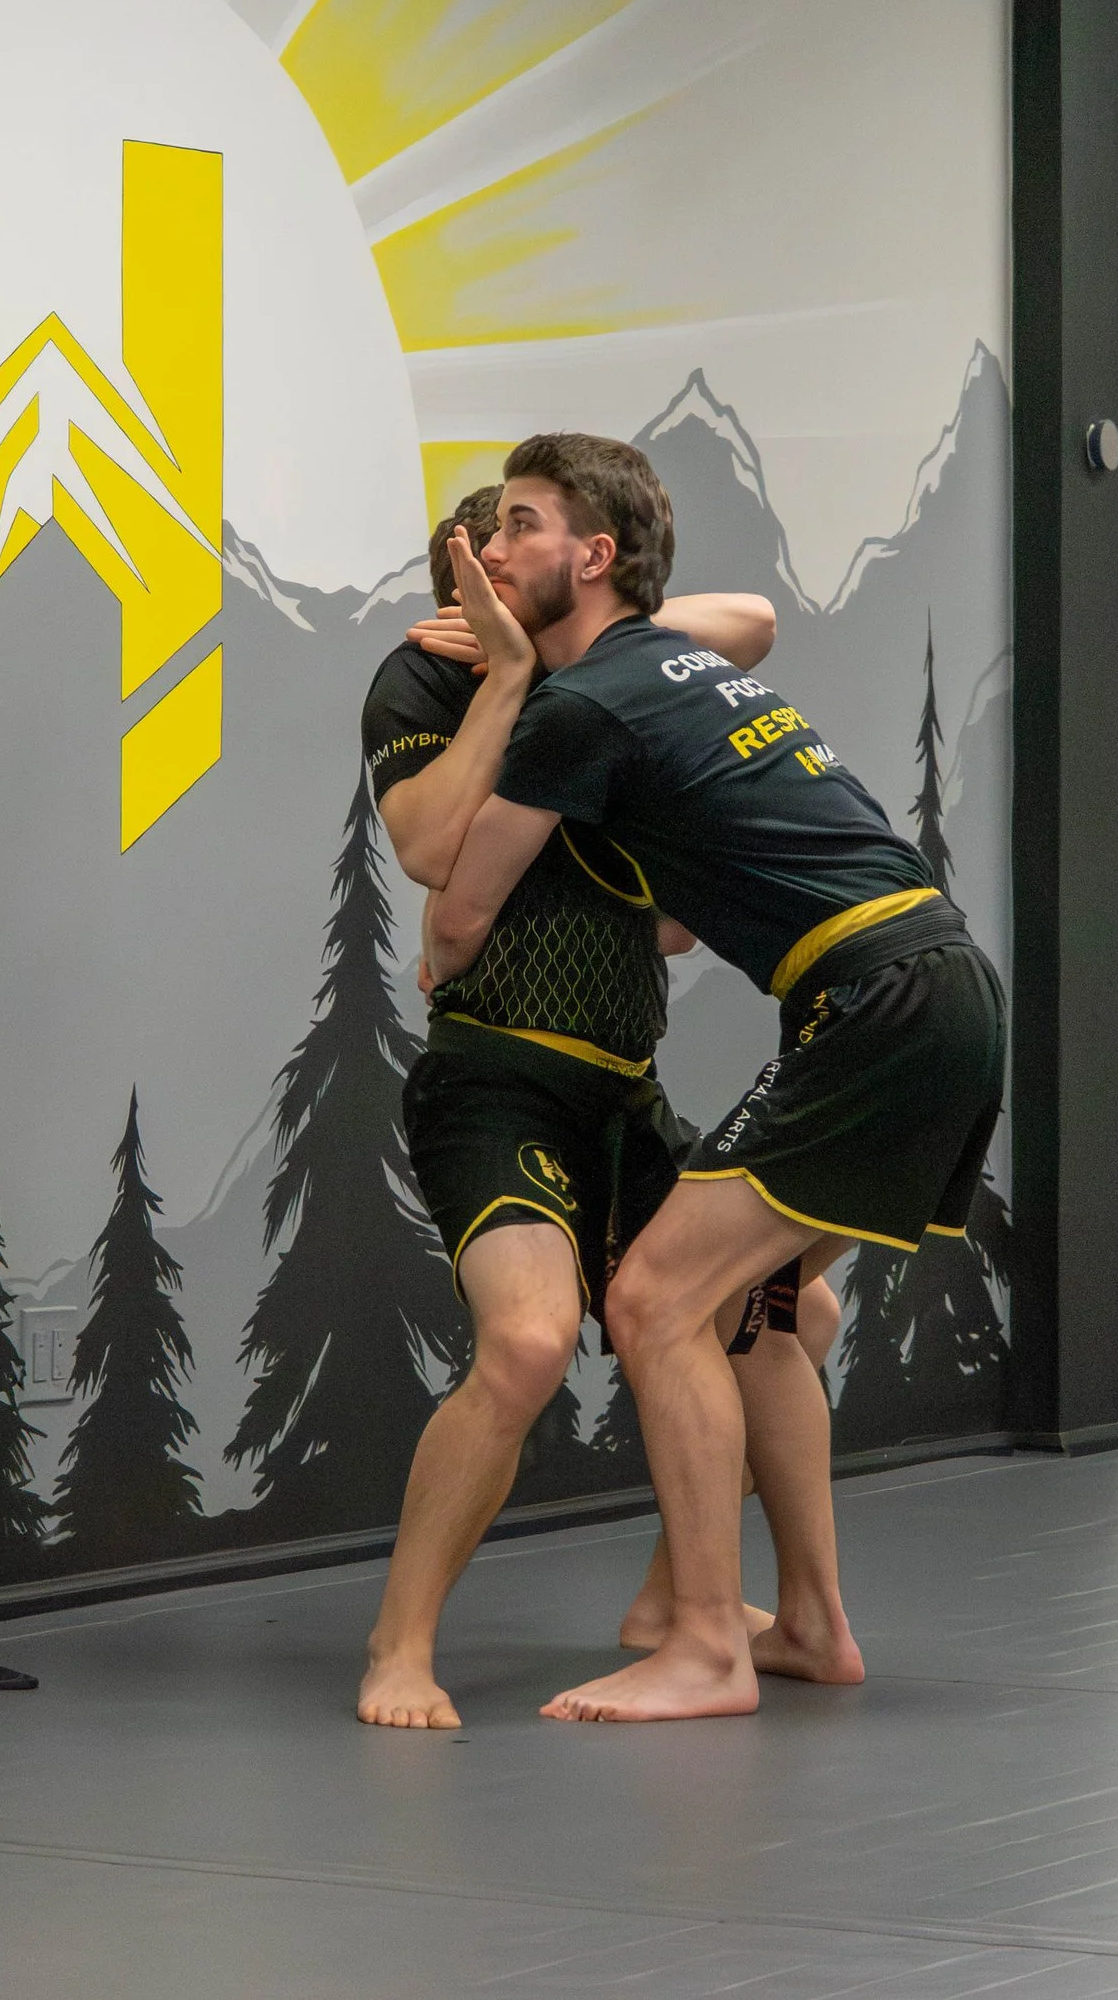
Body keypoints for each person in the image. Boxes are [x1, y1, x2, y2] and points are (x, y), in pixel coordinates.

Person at [429, 436, 1004, 1723]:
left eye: (518, 525)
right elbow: (735, 647)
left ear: (591, 557)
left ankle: (703, 1642)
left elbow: (458, 913)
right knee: (765, 1307)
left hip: (874, 998)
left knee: (651, 1301)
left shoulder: (580, 709)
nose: (488, 548)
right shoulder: (670, 667)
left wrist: (441, 942)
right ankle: (805, 1622)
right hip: (942, 980)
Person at [356, 490, 836, 1730]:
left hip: (624, 1091)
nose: (507, 565)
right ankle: (398, 1647)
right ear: (456, 584)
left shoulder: (620, 678)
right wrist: (505, 677)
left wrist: (575, 637)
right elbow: (424, 854)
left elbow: (753, 620)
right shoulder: (419, 688)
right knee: (523, 1345)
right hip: (495, 1078)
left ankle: (674, 1602)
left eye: (523, 546)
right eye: (486, 554)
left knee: (795, 1311)